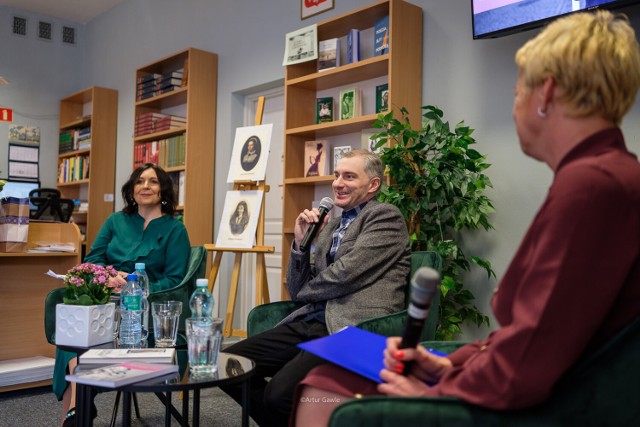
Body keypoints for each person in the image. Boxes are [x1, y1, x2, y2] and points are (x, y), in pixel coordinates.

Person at [293, 10, 640, 426]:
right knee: (322, 375)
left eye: (516, 93)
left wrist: (441, 391)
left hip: (536, 406)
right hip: (530, 382)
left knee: (322, 382)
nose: (514, 109)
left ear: (545, 94)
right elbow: (541, 329)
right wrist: (453, 364)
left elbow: (531, 354)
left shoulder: (592, 187)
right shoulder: (606, 175)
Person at [220, 149, 411, 426]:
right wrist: (300, 244)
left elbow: (345, 275)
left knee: (279, 395)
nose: (338, 183)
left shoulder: (385, 218)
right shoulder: (330, 226)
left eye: (349, 176)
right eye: (336, 176)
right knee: (227, 365)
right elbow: (295, 287)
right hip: (311, 320)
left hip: (353, 328)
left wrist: (305, 290)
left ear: (373, 185)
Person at [56, 163, 191, 426]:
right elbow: (92, 260)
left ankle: (76, 412)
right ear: (132, 189)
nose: (146, 186)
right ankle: (77, 409)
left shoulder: (176, 230)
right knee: (74, 330)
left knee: (82, 340)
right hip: (107, 300)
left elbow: (175, 280)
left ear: (163, 190)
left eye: (153, 182)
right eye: (140, 181)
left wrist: (136, 287)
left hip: (145, 309)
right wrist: (110, 276)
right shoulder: (115, 221)